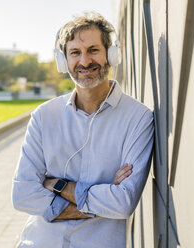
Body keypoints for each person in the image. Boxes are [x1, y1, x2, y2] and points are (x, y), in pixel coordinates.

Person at [12, 12, 154, 248]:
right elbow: (22, 195)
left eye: (93, 50)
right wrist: (101, 201)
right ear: (63, 61)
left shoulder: (138, 118)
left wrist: (58, 186)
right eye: (75, 53)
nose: (85, 61)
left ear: (111, 55)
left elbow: (123, 202)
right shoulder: (44, 116)